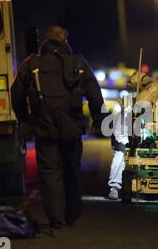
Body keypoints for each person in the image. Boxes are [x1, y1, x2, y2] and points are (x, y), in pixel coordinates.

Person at [11, 26, 104, 228]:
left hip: (44, 127)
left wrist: (25, 118)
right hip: (72, 126)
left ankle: (56, 218)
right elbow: (95, 94)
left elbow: (16, 93)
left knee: (50, 172)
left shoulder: (31, 64)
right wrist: (99, 120)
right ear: (65, 41)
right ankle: (72, 213)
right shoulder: (78, 64)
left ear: (44, 42)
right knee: (71, 169)